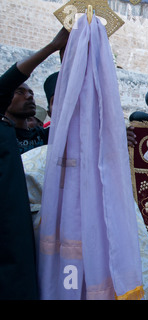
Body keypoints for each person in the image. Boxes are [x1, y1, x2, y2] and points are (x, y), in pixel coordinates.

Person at [0, 27, 69, 300]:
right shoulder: (4, 135)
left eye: (31, 92)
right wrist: (52, 46)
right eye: (20, 91)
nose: (29, 96)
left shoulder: (45, 137)